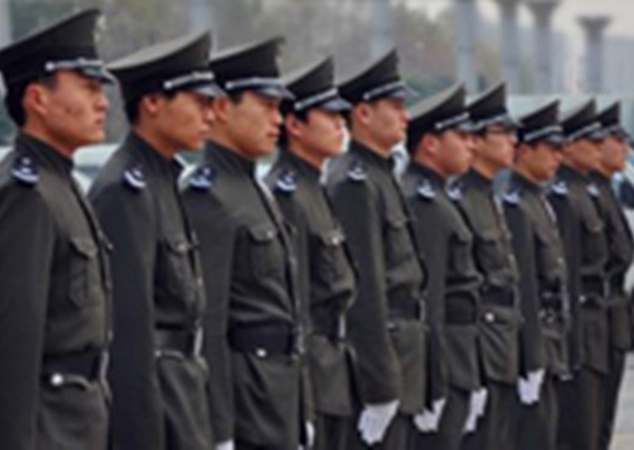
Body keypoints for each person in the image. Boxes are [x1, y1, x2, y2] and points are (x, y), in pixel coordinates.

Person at [88, 32, 222, 450]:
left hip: (183, 394)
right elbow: (130, 333)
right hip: (158, 406)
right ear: (152, 104)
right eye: (198, 103)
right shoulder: (124, 191)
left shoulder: (162, 179)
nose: (210, 116)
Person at [181, 37, 306, 450]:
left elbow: (290, 315)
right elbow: (210, 322)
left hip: (278, 395)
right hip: (246, 401)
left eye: (279, 108)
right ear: (221, 108)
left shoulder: (257, 190)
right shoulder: (208, 197)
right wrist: (220, 429)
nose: (278, 120)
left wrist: (302, 410)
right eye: (266, 106)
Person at [0, 9, 112, 449]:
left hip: (80, 422)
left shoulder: (63, 184)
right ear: (37, 99)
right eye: (87, 88)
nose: (102, 103)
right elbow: (14, 341)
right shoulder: (26, 195)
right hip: (49, 431)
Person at [325, 49, 427, 450]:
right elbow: (365, 289)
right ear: (364, 114)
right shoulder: (355, 183)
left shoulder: (382, 175)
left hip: (404, 358)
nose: (406, 116)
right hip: (382, 363)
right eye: (396, 107)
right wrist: (379, 384)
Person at [263, 56, 357, 450]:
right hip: (312, 376)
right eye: (329, 116)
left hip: (333, 369)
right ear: (295, 125)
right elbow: (296, 304)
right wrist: (303, 404)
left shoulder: (314, 187)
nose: (341, 125)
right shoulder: (288, 195)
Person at [401, 83, 485, 450]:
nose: (472, 146)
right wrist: (432, 382)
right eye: (462, 137)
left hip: (458, 359)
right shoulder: (423, 202)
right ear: (431, 144)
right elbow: (430, 297)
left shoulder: (438, 197)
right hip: (444, 362)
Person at [452, 82, 522, 450]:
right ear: (476, 140)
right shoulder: (462, 198)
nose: (513, 140)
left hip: (502, 347)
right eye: (503, 132)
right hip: (480, 351)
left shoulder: (488, 195)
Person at [502, 100, 569, 450]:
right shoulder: (516, 206)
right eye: (551, 149)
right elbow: (525, 286)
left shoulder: (538, 201)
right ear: (525, 151)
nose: (559, 157)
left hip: (552, 338)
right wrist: (532, 358)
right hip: (536, 341)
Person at [548, 99, 610, 450]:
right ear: (570, 147)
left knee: (596, 429)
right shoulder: (564, 197)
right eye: (593, 141)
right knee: (578, 433)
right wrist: (570, 340)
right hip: (579, 325)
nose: (601, 148)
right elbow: (566, 271)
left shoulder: (585, 192)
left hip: (596, 323)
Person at [591, 102, 634, 450]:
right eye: (616, 140)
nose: (625, 148)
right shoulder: (580, 196)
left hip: (613, 320)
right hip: (591, 324)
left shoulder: (607, 192)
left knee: (601, 427)